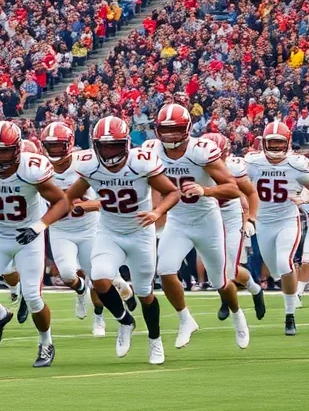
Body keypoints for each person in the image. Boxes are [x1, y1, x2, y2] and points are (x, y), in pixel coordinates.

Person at [65, 116, 183, 365]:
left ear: (126, 144)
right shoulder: (89, 166)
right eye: (105, 146)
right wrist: (73, 205)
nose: (110, 152)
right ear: (96, 146)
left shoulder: (141, 163)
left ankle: (155, 340)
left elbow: (173, 191)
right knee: (98, 277)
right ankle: (125, 320)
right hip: (109, 232)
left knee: (144, 293)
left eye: (115, 145)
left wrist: (157, 212)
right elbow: (68, 196)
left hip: (140, 233)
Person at [0, 121, 69, 367]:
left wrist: (38, 227)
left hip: (26, 237)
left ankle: (46, 343)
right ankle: (1, 315)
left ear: (17, 149)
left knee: (32, 296)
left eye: (5, 150)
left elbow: (62, 202)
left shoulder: (31, 169)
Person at [144, 103, 248, 349]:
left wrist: (206, 190)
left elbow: (233, 188)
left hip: (206, 221)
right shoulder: (150, 150)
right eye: (165, 130)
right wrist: (155, 212)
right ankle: (185, 319)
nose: (169, 136)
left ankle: (237, 315)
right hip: (178, 220)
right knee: (165, 270)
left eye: (175, 129)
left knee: (220, 281)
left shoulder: (201, 151)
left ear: (188, 129)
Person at [42, 121, 122, 337]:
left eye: (58, 146)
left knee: (97, 277)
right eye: (50, 146)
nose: (54, 151)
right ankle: (79, 290)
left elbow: (104, 201)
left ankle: (99, 317)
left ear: (68, 144)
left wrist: (84, 206)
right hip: (61, 229)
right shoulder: (41, 169)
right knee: (68, 273)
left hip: (89, 228)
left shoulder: (86, 164)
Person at [245, 121, 309, 336]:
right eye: (271, 143)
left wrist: (304, 197)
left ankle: (290, 315)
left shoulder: (295, 165)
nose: (275, 148)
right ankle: (291, 290)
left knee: (284, 261)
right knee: (276, 270)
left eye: (279, 143)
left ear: (287, 143)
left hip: (287, 220)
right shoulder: (253, 163)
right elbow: (241, 187)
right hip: (263, 222)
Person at [200, 132, 266, 321]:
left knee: (230, 269)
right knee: (215, 267)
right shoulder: (194, 166)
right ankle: (233, 292)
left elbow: (250, 194)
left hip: (230, 215)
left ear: (224, 153)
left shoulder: (233, 168)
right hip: (207, 216)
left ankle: (254, 290)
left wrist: (250, 219)